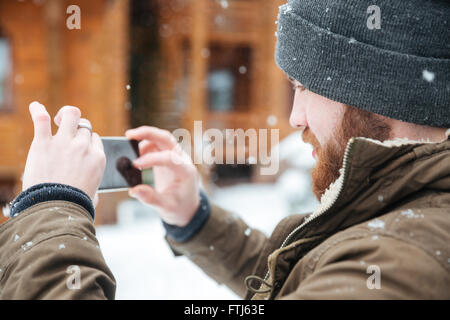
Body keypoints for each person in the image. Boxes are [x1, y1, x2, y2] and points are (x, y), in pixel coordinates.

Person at [1, 0, 449, 299]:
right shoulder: (403, 213)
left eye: (305, 87)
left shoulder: (394, 268)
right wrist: (193, 218)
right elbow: (297, 277)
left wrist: (50, 208)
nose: (295, 117)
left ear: (377, 90)